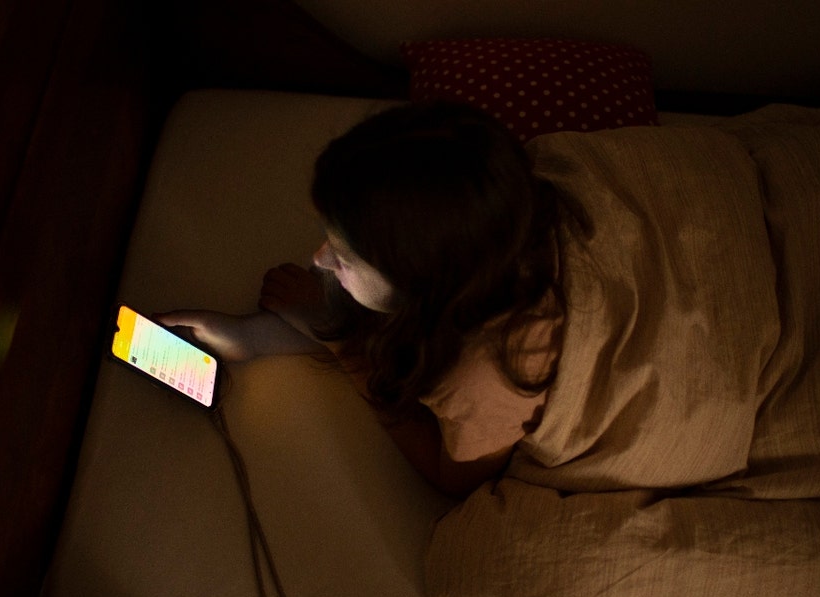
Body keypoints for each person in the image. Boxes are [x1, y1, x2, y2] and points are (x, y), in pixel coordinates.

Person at [158, 101, 579, 498]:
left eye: (340, 256)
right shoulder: (489, 208)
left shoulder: (487, 374)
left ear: (421, 291)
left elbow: (451, 478)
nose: (318, 260)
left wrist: (348, 350)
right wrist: (257, 337)